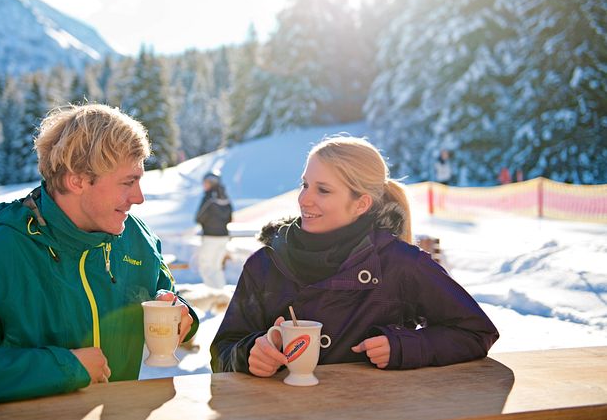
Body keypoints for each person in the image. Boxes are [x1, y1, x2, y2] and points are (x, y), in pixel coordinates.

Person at [0, 104, 198, 411]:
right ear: (76, 180)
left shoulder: (137, 240)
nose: (139, 197)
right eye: (128, 182)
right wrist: (64, 368)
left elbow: (166, 294)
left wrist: (181, 313)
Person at [210, 136, 498, 377]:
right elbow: (221, 352)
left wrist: (404, 347)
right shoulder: (265, 263)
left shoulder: (400, 263)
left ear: (361, 204)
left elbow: (475, 332)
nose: (304, 199)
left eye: (323, 190)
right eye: (305, 184)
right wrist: (248, 354)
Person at [194, 171, 233, 288]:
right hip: (224, 237)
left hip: (210, 236)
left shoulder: (209, 197)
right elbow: (230, 218)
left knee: (205, 266)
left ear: (211, 183)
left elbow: (199, 217)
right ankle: (221, 296)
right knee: (216, 267)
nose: (204, 185)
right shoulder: (225, 197)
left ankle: (213, 296)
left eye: (205, 182)